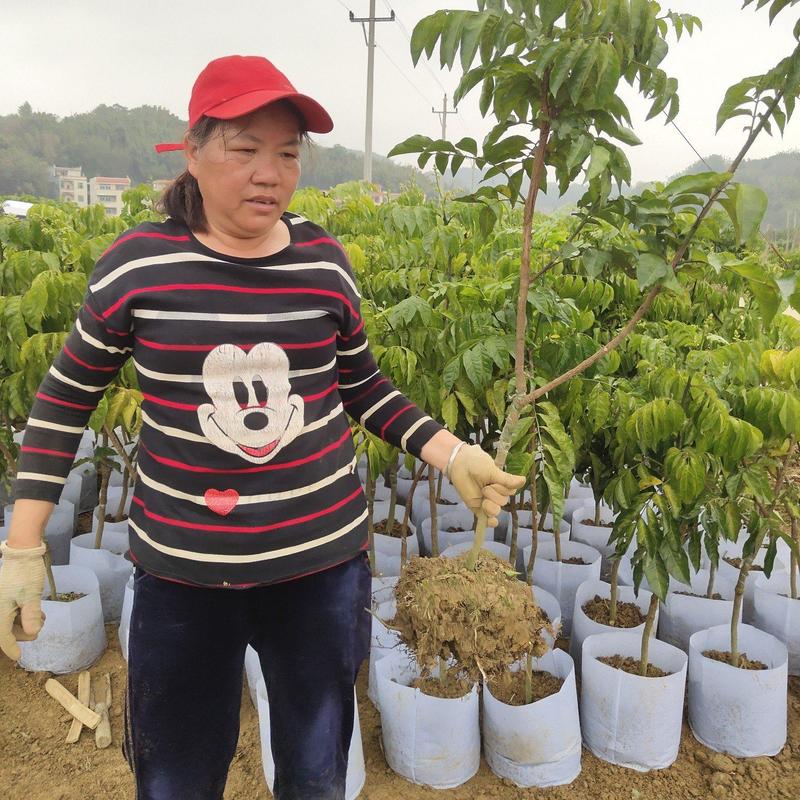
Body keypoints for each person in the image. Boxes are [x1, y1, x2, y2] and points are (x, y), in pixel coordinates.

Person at [0, 55, 525, 799]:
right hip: (183, 578)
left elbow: (362, 385)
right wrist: (23, 548)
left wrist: (451, 452)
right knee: (176, 774)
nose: (269, 174)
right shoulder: (139, 268)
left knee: (315, 772)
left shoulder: (323, 263)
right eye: (244, 150)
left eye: (286, 154)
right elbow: (63, 401)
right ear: (193, 150)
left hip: (318, 574)